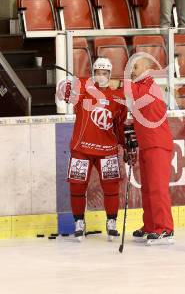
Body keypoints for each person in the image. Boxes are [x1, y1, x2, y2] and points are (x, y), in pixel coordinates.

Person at [56, 58, 128, 241]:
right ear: (93, 73)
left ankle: (111, 222)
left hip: (108, 150)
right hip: (82, 149)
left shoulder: (118, 96)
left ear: (110, 75)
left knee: (111, 187)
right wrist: (66, 85)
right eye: (98, 72)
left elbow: (119, 125)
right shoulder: (83, 90)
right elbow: (64, 89)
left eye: (105, 73)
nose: (101, 76)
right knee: (77, 186)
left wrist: (125, 145)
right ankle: (79, 222)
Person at [124, 56, 175, 245]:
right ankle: (151, 225)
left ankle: (165, 229)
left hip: (157, 145)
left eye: (135, 67)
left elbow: (133, 93)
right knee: (148, 189)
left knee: (158, 189)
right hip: (147, 144)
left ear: (147, 68)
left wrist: (119, 81)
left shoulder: (150, 87)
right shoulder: (143, 87)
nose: (132, 71)